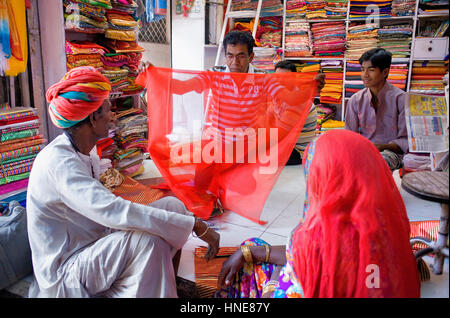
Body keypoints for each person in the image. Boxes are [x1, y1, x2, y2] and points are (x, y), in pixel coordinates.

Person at [26, 66, 220, 298]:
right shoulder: (59, 163)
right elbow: (114, 210)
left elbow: (108, 209)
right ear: (93, 117)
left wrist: (188, 220)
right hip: (66, 274)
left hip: (93, 245)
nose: (113, 115)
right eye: (109, 109)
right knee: (148, 243)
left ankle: (153, 283)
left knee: (174, 208)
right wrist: (197, 225)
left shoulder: (86, 152)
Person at [216, 129, 420, 298]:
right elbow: (297, 253)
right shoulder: (392, 225)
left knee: (248, 260)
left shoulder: (317, 238)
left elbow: (301, 268)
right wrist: (251, 252)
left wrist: (275, 279)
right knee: (252, 248)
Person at [345, 48, 408, 171]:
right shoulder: (355, 100)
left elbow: (405, 140)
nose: (365, 75)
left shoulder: (401, 99)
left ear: (385, 72)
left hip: (391, 153)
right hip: (363, 150)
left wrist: (379, 147)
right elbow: (350, 135)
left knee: (376, 164)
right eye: (362, 69)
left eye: (371, 70)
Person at [274, 60, 319, 166]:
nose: (280, 82)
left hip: (298, 152)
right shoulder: (281, 98)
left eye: (285, 78)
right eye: (277, 78)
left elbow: (279, 134)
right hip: (287, 146)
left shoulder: (297, 102)